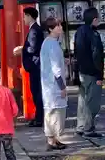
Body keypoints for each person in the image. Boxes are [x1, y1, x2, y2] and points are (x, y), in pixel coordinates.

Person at [74, 7, 104, 138]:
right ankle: (88, 128)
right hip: (92, 72)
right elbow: (96, 55)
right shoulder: (94, 34)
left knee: (82, 100)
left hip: (81, 71)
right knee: (93, 101)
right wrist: (99, 74)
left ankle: (80, 127)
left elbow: (76, 52)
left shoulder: (79, 31)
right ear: (95, 19)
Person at [13, 7, 44, 127]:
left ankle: (39, 118)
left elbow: (33, 48)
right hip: (34, 66)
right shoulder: (33, 30)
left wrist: (22, 49)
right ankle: (38, 116)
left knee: (37, 93)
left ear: (30, 16)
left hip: (35, 65)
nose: (24, 19)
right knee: (35, 92)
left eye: (25, 16)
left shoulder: (34, 30)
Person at [40, 18, 67, 150]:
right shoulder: (52, 44)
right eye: (57, 26)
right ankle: (52, 140)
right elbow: (56, 68)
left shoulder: (49, 42)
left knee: (51, 111)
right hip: (54, 85)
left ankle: (54, 139)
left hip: (48, 84)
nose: (60, 28)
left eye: (60, 25)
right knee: (55, 113)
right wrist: (62, 87)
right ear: (50, 29)